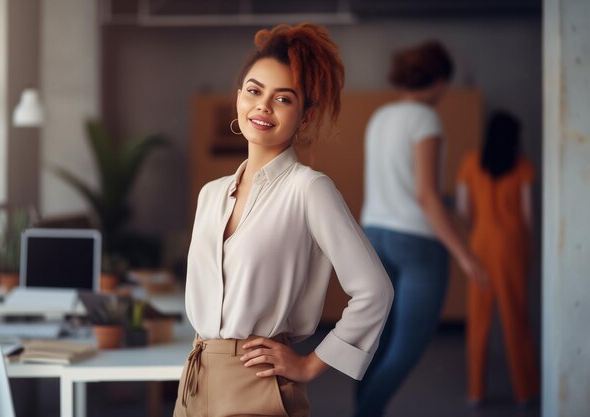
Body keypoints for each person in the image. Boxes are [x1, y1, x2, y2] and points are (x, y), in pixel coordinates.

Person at [173, 23, 394, 417]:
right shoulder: (211, 194)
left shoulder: (309, 190)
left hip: (258, 382)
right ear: (238, 97)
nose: (263, 106)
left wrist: (310, 364)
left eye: (283, 99)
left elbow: (375, 290)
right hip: (195, 380)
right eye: (254, 91)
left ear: (305, 117)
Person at [355, 40, 487, 416]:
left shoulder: (380, 117)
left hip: (374, 236)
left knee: (374, 346)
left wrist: (446, 203)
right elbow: (425, 197)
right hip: (416, 244)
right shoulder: (426, 119)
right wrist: (465, 256)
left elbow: (402, 186)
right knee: (406, 347)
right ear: (440, 80)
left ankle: (366, 411)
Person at [456, 110, 539, 407]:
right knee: (515, 317)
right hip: (513, 245)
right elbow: (528, 217)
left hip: (481, 243)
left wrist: (478, 231)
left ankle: (475, 392)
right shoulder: (524, 167)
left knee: (479, 319)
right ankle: (525, 390)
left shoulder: (470, 163)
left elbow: (464, 211)